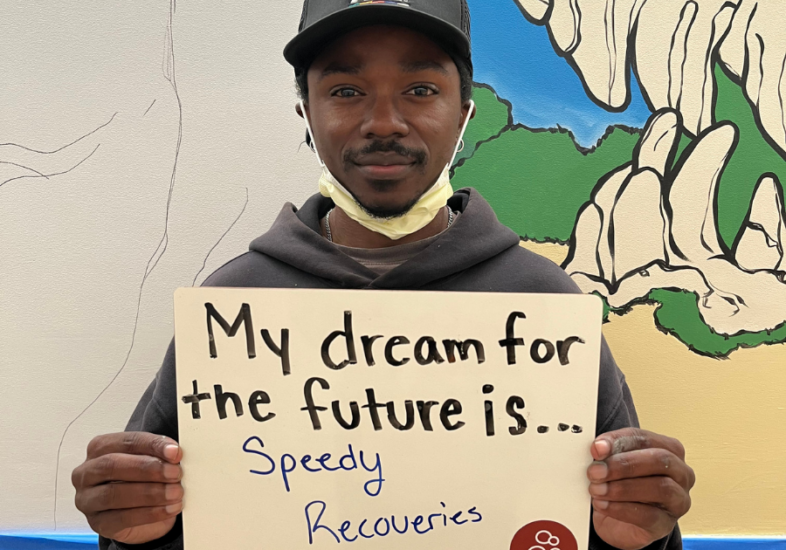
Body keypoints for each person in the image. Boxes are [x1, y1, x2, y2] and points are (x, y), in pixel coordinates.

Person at [71, 1, 695, 549]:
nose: (384, 123)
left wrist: (637, 537)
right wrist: (135, 532)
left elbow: (615, 522)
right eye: (345, 92)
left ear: (465, 115)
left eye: (420, 89)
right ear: (305, 117)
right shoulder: (235, 306)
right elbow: (158, 519)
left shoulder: (545, 305)